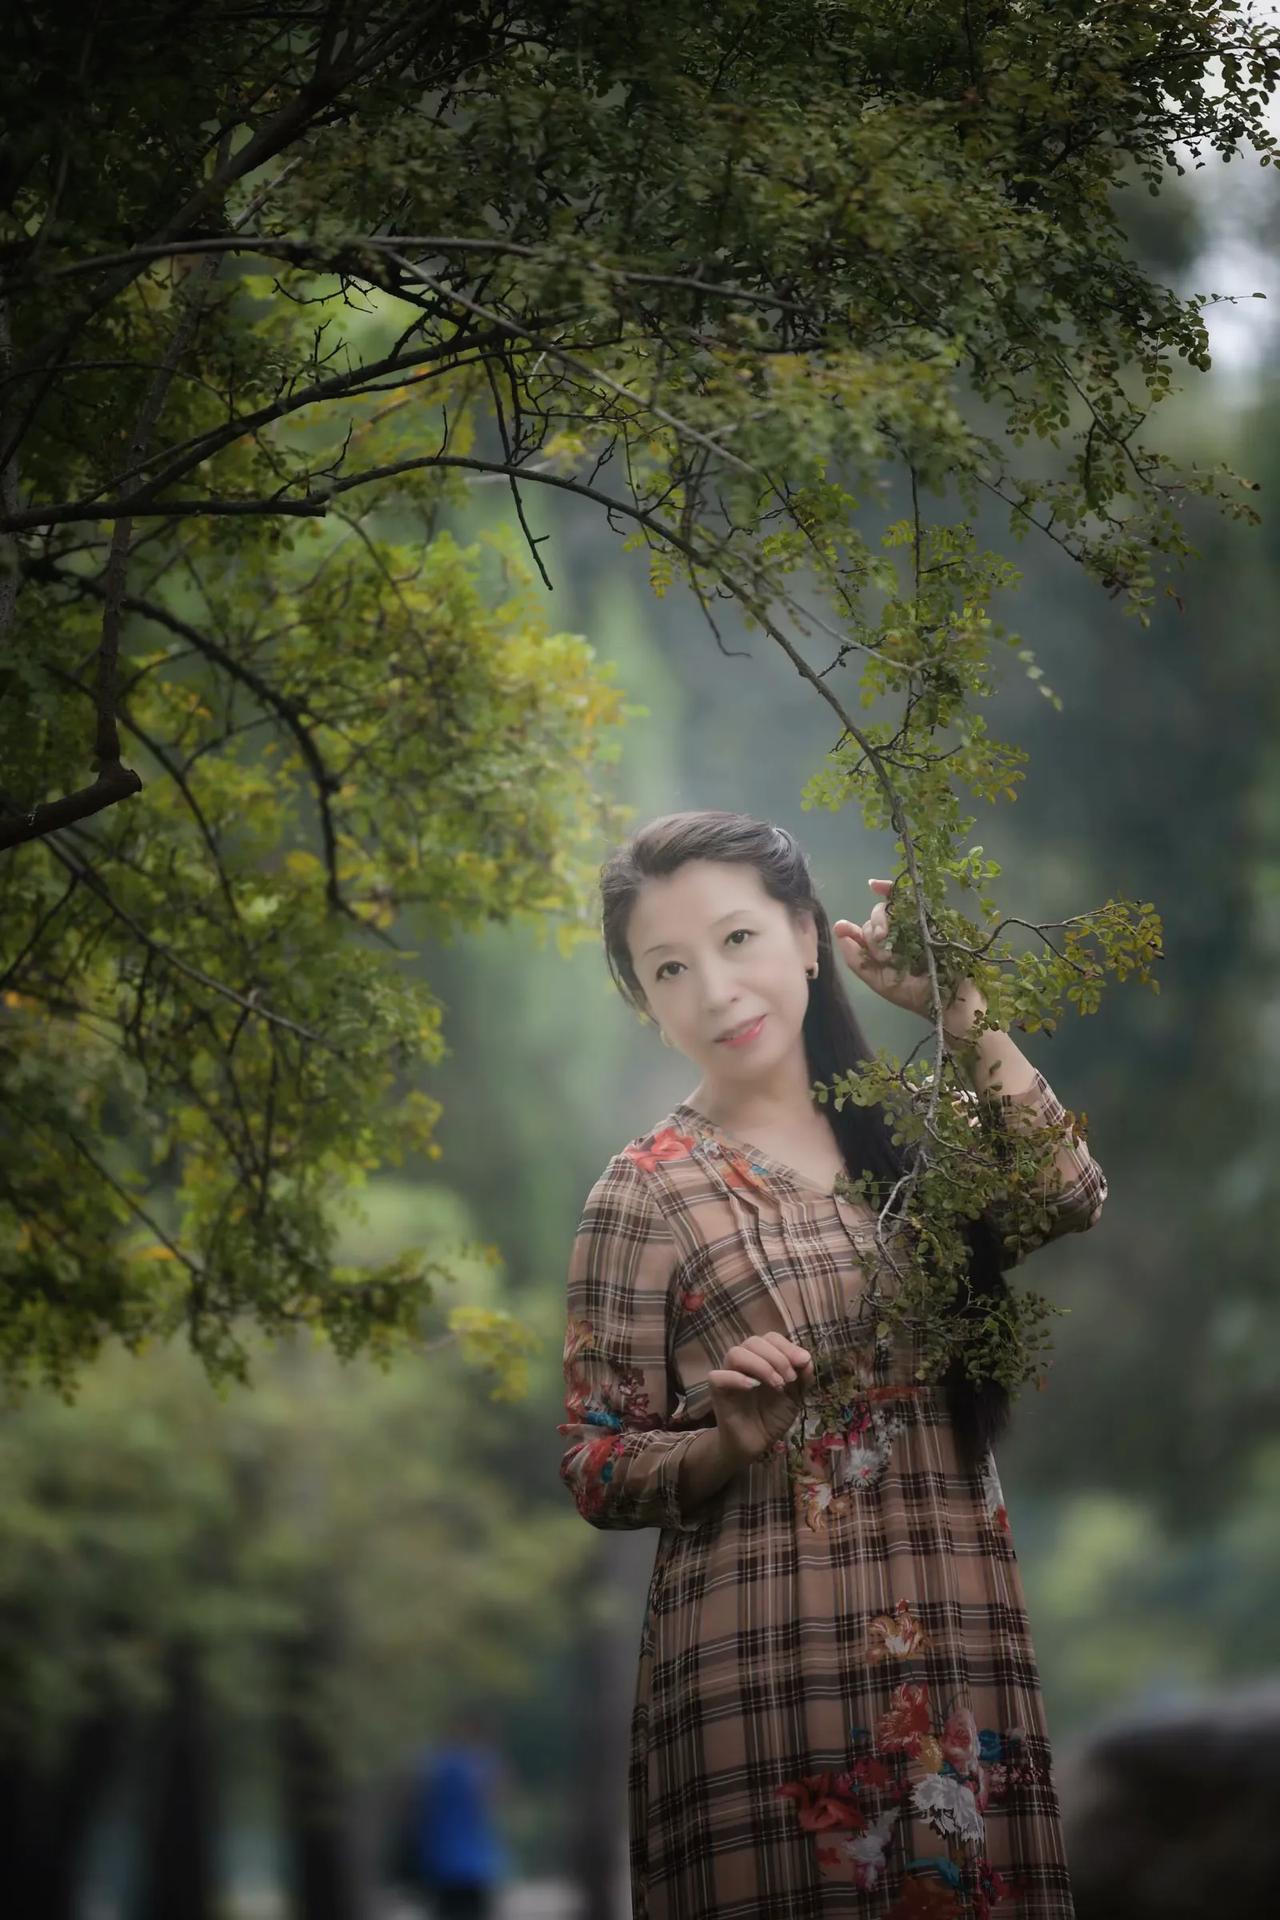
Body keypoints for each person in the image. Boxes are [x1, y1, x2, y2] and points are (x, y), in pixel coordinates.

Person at [556, 811, 1108, 1920]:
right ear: (647, 1006)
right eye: (669, 968)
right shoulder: (646, 1191)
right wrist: (721, 1443)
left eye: (737, 940)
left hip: (951, 1647)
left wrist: (958, 1015)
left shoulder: (913, 1135)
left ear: (806, 936)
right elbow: (593, 1459)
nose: (714, 989)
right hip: (763, 1671)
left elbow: (1065, 1193)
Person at [391, 1700, 509, 1919]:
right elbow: (497, 1803)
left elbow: (407, 1805)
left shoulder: (431, 1764)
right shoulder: (483, 1764)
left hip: (440, 1865)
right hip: (476, 1866)